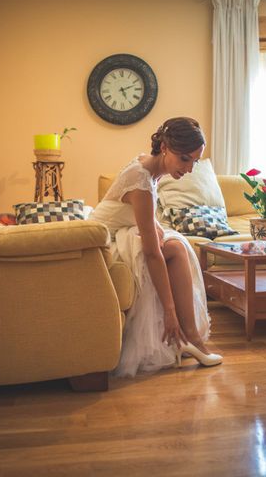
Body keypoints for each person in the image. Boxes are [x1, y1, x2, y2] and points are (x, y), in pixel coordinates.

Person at [89, 117, 223, 377]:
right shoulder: (140, 180)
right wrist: (169, 311)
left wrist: (158, 229)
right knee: (175, 249)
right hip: (103, 245)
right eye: (185, 159)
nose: (189, 168)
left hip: (122, 232)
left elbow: (144, 217)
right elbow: (151, 253)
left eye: (194, 161)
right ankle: (190, 337)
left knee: (175, 244)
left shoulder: (149, 167)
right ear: (164, 147)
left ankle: (190, 337)